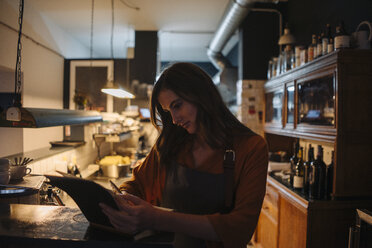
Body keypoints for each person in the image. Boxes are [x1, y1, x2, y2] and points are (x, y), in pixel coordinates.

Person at [99, 62, 268, 248]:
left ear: (201, 95)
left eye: (177, 105)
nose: (174, 119)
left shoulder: (250, 148)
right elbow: (137, 184)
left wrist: (157, 218)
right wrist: (124, 200)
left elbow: (240, 228)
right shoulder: (170, 144)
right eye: (168, 111)